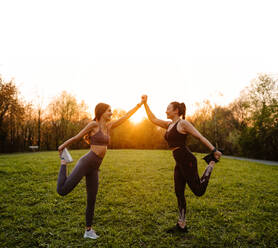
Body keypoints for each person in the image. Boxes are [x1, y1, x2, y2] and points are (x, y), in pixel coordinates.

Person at [57, 99, 143, 239]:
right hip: (86, 162)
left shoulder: (108, 126)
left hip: (95, 167)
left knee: (92, 198)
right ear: (102, 112)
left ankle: (88, 230)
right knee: (63, 190)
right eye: (109, 110)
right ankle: (64, 163)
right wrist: (62, 146)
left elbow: (125, 117)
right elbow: (77, 137)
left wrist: (139, 105)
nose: (111, 112)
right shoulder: (93, 125)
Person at [141, 95, 222, 232]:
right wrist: (145, 104)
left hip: (187, 160)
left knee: (198, 191)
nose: (166, 111)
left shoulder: (183, 124)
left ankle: (211, 164)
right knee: (179, 192)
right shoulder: (169, 124)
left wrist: (213, 150)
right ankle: (181, 224)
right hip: (179, 162)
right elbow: (153, 119)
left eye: (168, 109)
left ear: (176, 111)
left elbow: (199, 136)